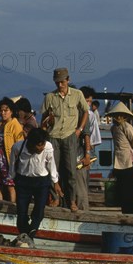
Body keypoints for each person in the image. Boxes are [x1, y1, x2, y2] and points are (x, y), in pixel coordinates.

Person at [40, 68, 88, 212]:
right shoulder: (50, 97)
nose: (60, 85)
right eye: (57, 82)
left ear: (68, 80)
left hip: (70, 136)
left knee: (71, 171)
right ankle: (55, 197)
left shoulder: (77, 94)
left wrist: (79, 129)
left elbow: (85, 111)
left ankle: (72, 200)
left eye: (62, 81)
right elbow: (43, 118)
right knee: (52, 170)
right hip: (53, 136)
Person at [9, 128, 63, 248]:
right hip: (23, 181)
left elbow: (51, 165)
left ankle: (30, 235)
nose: (42, 147)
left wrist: (56, 182)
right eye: (39, 145)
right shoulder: (18, 147)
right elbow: (12, 165)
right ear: (31, 144)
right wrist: (11, 179)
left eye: (43, 144)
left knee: (39, 210)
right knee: (21, 211)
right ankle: (25, 235)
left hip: (41, 182)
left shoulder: (48, 147)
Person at [106, 103, 133, 214]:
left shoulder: (113, 128)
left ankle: (125, 209)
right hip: (128, 161)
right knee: (131, 188)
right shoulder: (126, 126)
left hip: (118, 161)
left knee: (123, 187)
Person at [0, 98, 24, 202]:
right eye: (1, 110)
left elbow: (20, 144)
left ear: (12, 111)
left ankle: (12, 208)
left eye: (6, 110)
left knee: (10, 185)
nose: (3, 113)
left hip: (7, 159)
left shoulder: (15, 125)